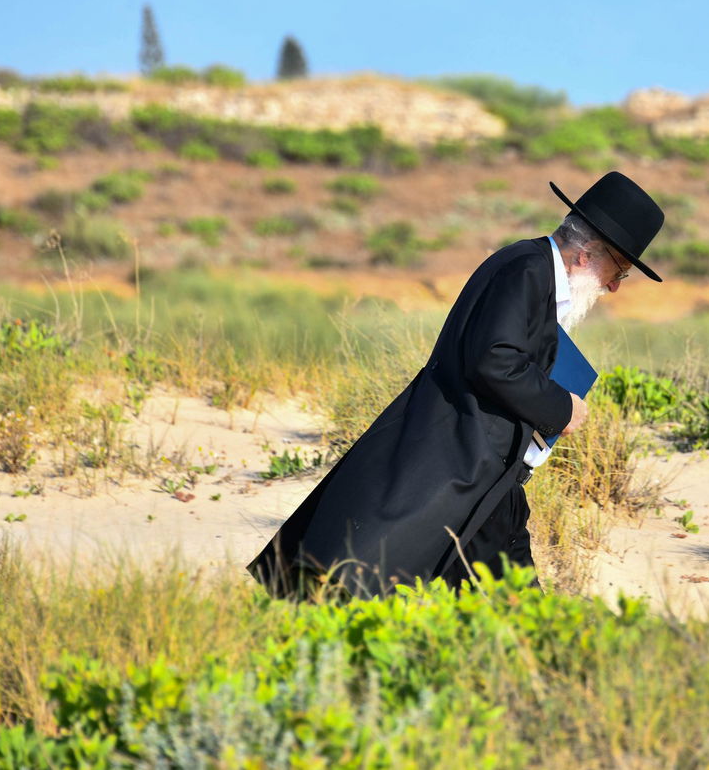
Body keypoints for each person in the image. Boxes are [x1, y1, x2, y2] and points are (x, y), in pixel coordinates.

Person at [248, 171, 666, 599]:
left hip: (487, 476)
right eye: (620, 271)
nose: (614, 286)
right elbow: (494, 359)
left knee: (502, 593)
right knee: (362, 578)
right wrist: (563, 407)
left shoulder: (529, 268)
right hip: (457, 460)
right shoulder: (527, 270)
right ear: (587, 254)